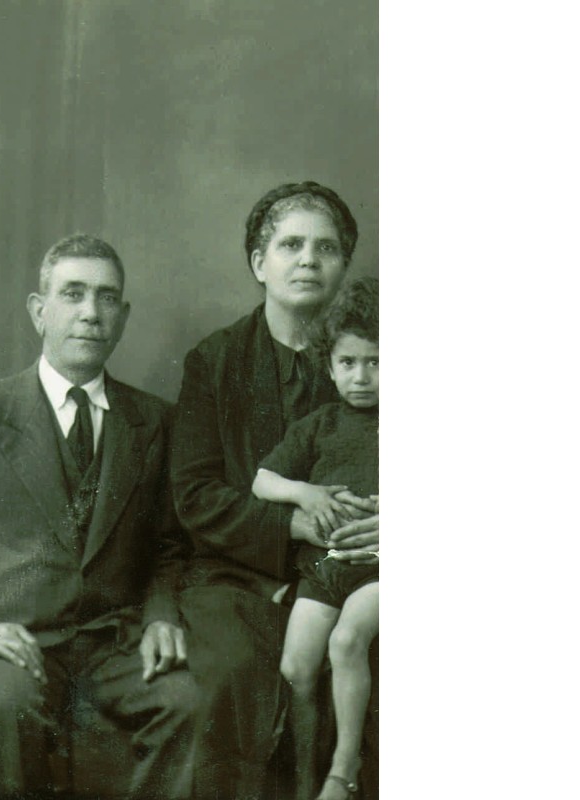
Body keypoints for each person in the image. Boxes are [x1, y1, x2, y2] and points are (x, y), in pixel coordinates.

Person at [171, 182, 380, 800]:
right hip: (240, 573)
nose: (309, 260)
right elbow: (195, 493)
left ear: (344, 266)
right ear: (259, 264)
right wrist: (293, 523)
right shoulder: (214, 361)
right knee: (237, 672)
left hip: (357, 569)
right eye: (291, 245)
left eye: (327, 248)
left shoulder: (374, 361)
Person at [0, 234, 197, 800]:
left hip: (115, 643)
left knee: (186, 702)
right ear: (39, 310)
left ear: (122, 317)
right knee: (2, 704)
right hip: (19, 639)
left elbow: (170, 547)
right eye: (72, 294)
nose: (90, 312)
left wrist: (160, 616)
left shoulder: (155, 421)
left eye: (106, 298)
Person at [253, 277, 380, 800]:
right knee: (296, 665)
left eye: (376, 361)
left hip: (384, 566)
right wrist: (305, 493)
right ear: (329, 368)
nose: (362, 376)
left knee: (347, 640)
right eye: (348, 363)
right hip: (327, 566)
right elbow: (263, 480)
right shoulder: (320, 424)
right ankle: (307, 772)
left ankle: (342, 772)